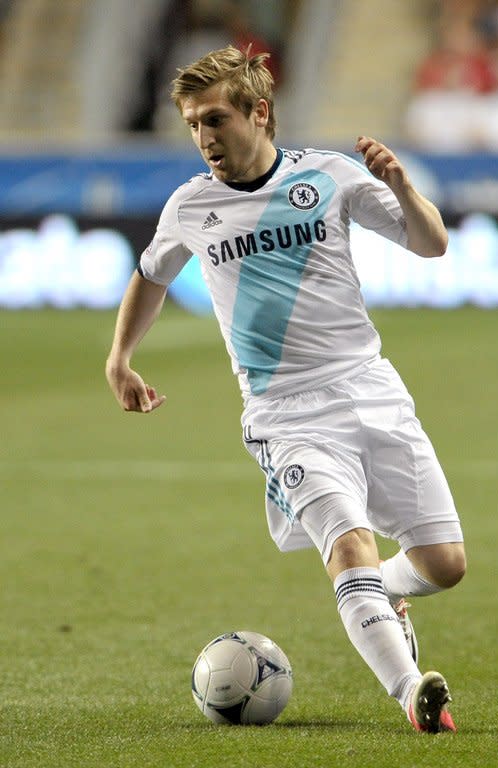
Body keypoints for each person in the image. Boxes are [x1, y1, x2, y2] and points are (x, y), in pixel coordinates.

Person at [105, 45, 466, 733]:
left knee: (444, 565)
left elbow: (432, 244)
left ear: (259, 112)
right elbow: (150, 275)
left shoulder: (331, 177)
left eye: (215, 118)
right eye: (191, 124)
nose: (204, 137)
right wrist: (120, 358)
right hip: (286, 414)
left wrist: (400, 185)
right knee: (348, 546)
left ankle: (385, 593)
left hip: (372, 388)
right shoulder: (189, 206)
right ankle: (414, 692)